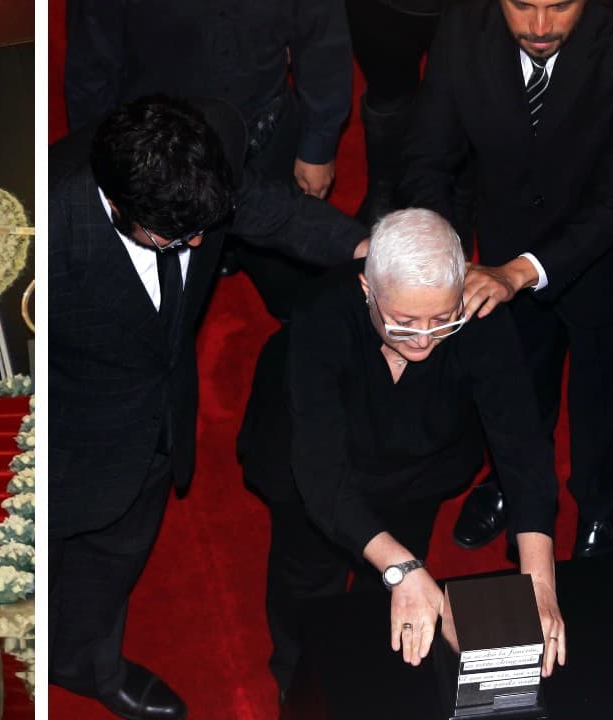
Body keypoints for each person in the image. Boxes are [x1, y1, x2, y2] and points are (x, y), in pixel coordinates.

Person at [49, 95, 367, 720]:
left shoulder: (204, 144)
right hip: (70, 422)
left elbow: (273, 215)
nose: (201, 244)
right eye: (179, 237)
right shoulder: (52, 226)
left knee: (118, 549)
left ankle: (84, 661)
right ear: (119, 204)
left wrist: (372, 250)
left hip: (159, 408)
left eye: (205, 227)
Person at [240, 208, 566, 694]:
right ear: (369, 291)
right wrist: (403, 567)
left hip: (421, 468)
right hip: (311, 468)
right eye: (403, 321)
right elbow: (320, 473)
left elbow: (522, 445)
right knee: (306, 579)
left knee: (389, 586)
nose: (423, 340)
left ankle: (375, 675)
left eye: (441, 319)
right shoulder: (323, 313)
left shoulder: (478, 314)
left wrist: (539, 580)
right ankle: (300, 679)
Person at [401, 0, 613, 558]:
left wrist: (518, 271)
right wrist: (451, 261)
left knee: (606, 397)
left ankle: (598, 503)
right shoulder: (462, 29)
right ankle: (510, 483)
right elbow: (428, 156)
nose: (539, 27)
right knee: (519, 381)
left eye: (559, 5)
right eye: (522, 4)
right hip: (506, 238)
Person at [64, 0, 357, 316]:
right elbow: (92, 71)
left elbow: (322, 39)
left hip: (266, 133)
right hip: (168, 158)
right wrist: (108, 175)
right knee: (183, 282)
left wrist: (318, 146)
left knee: (288, 277)